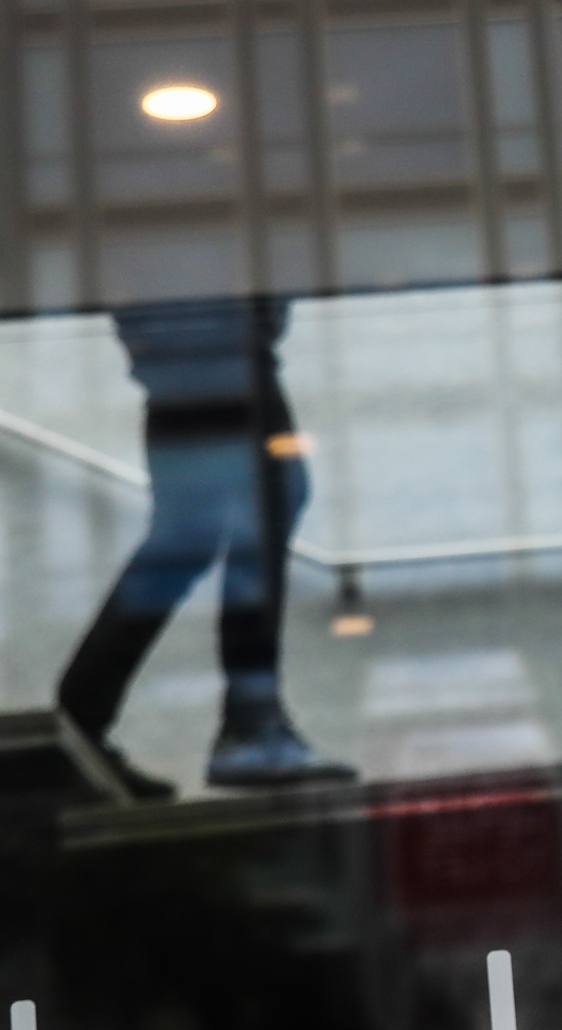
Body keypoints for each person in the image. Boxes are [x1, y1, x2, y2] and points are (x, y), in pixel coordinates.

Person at [56, 294, 354, 797]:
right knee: (265, 498)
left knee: (195, 528)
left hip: (193, 319)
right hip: (207, 316)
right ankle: (250, 720)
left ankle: (76, 728)